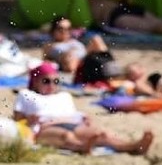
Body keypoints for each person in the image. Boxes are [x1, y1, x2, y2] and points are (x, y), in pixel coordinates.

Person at [13, 62, 153, 155]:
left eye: (55, 81)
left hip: (72, 122)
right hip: (44, 127)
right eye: (46, 81)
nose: (51, 85)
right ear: (35, 81)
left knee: (101, 133)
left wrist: (85, 118)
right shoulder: (26, 94)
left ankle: (132, 146)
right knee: (66, 137)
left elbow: (73, 114)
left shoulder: (64, 95)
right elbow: (16, 120)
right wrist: (28, 119)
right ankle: (83, 147)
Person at [42, 15, 107, 74]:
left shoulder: (73, 41)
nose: (64, 31)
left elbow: (85, 51)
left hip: (85, 56)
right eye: (60, 29)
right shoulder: (51, 45)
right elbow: (46, 60)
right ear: (54, 30)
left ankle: (108, 62)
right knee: (69, 56)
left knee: (96, 39)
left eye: (68, 28)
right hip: (71, 62)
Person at [90, 0, 162, 36]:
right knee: (158, 23)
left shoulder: (86, 3)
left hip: (117, 15)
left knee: (156, 26)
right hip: (125, 7)